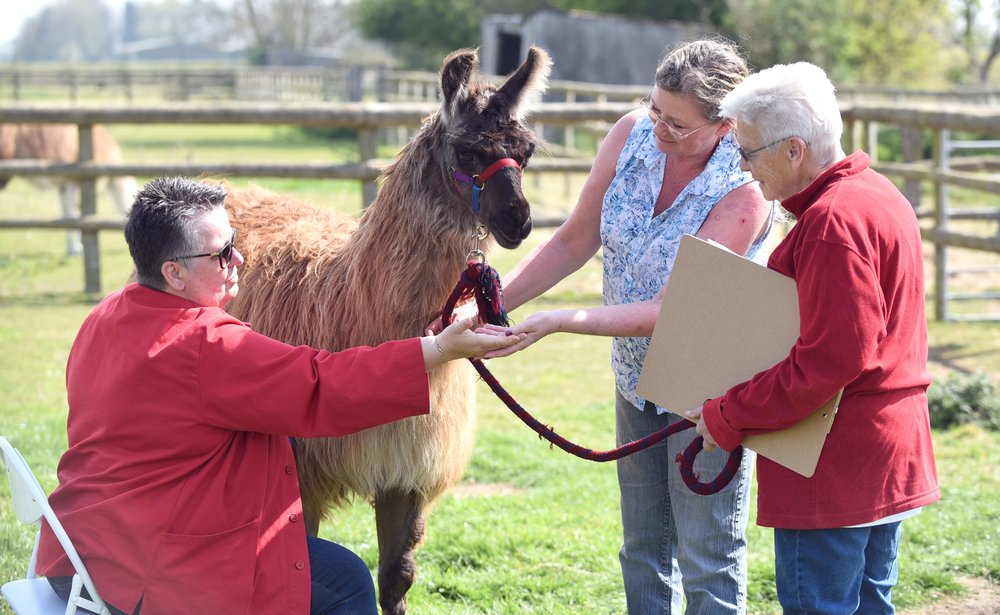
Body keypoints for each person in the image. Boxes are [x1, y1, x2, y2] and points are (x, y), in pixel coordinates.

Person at [34, 176, 522, 615]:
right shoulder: (205, 345)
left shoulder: (107, 316)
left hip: (82, 547)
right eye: (222, 252)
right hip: (148, 570)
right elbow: (323, 385)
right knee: (346, 581)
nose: (240, 258)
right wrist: (435, 350)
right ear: (173, 272)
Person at [480, 39, 775, 614]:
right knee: (641, 546)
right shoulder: (632, 133)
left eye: (679, 124)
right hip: (632, 373)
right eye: (657, 109)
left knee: (706, 551)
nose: (661, 128)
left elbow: (675, 308)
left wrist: (561, 320)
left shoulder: (744, 191)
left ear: (724, 125)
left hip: (706, 388)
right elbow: (574, 237)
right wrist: (493, 305)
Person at [687, 62, 941, 614]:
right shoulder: (879, 194)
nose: (743, 166)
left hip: (835, 465)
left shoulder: (831, 223)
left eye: (748, 152)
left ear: (794, 150)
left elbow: (831, 359)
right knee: (871, 604)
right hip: (882, 454)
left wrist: (728, 415)